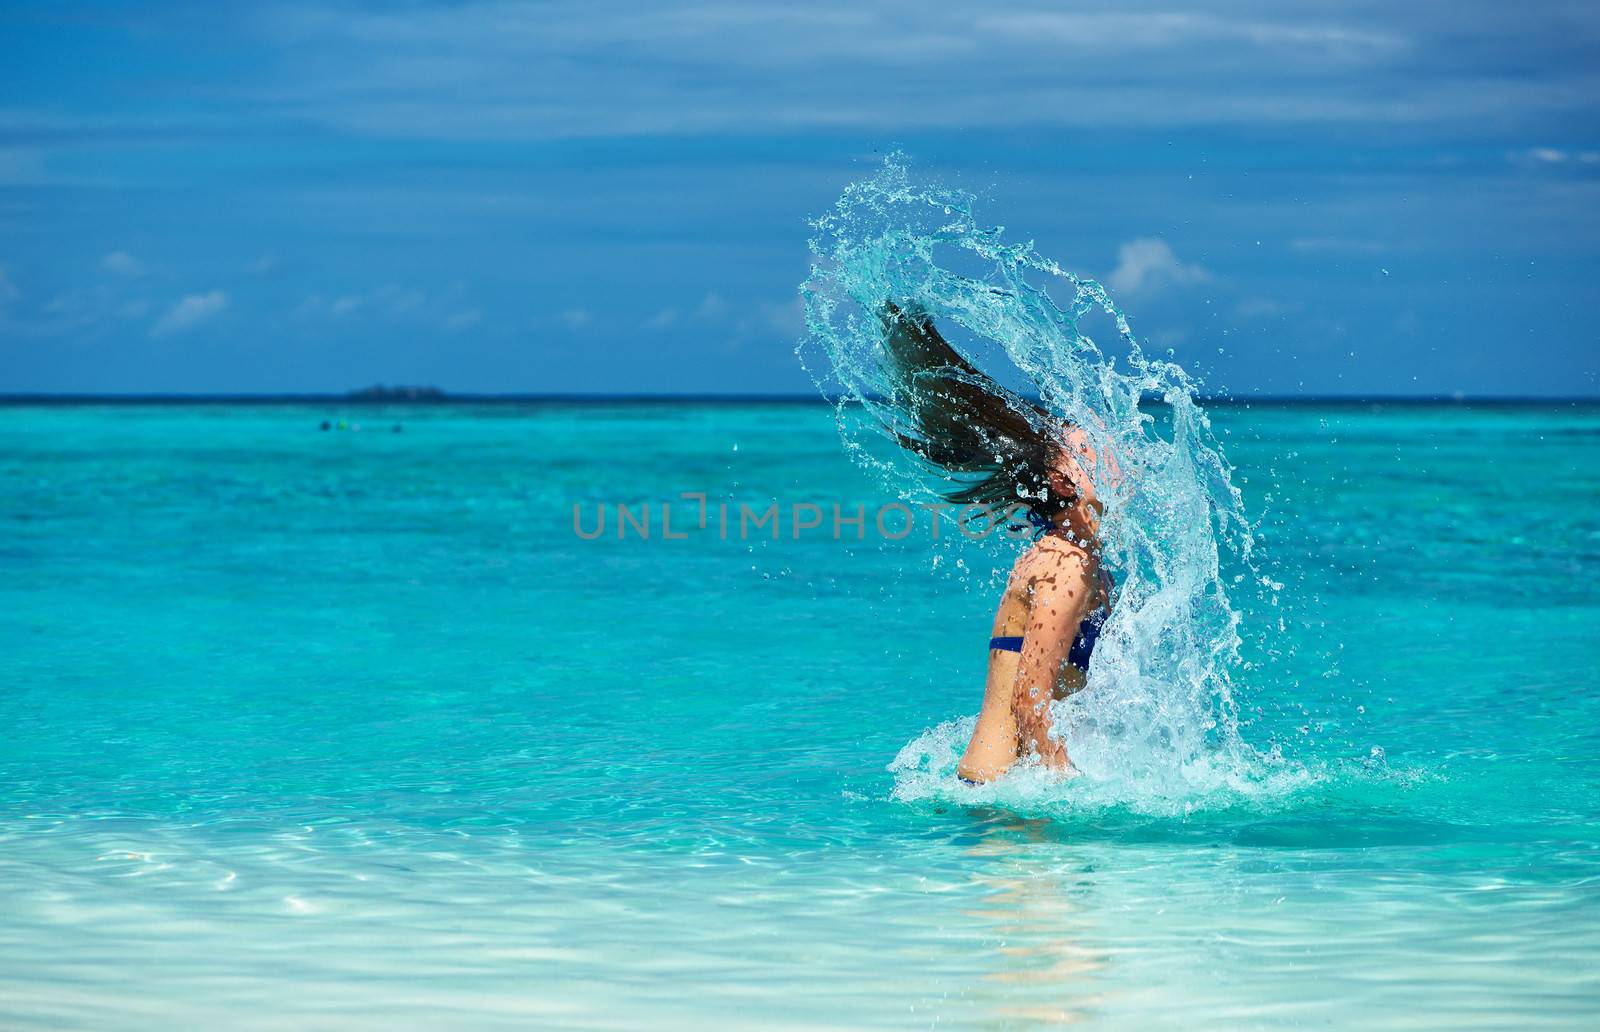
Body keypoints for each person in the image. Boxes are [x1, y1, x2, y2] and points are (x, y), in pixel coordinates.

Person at [876, 303, 1114, 783]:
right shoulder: (1066, 566)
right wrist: (1074, 790)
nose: (1117, 455)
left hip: (996, 790)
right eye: (1095, 451)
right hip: (1002, 799)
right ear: (1063, 481)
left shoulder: (1070, 557)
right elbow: (1030, 703)